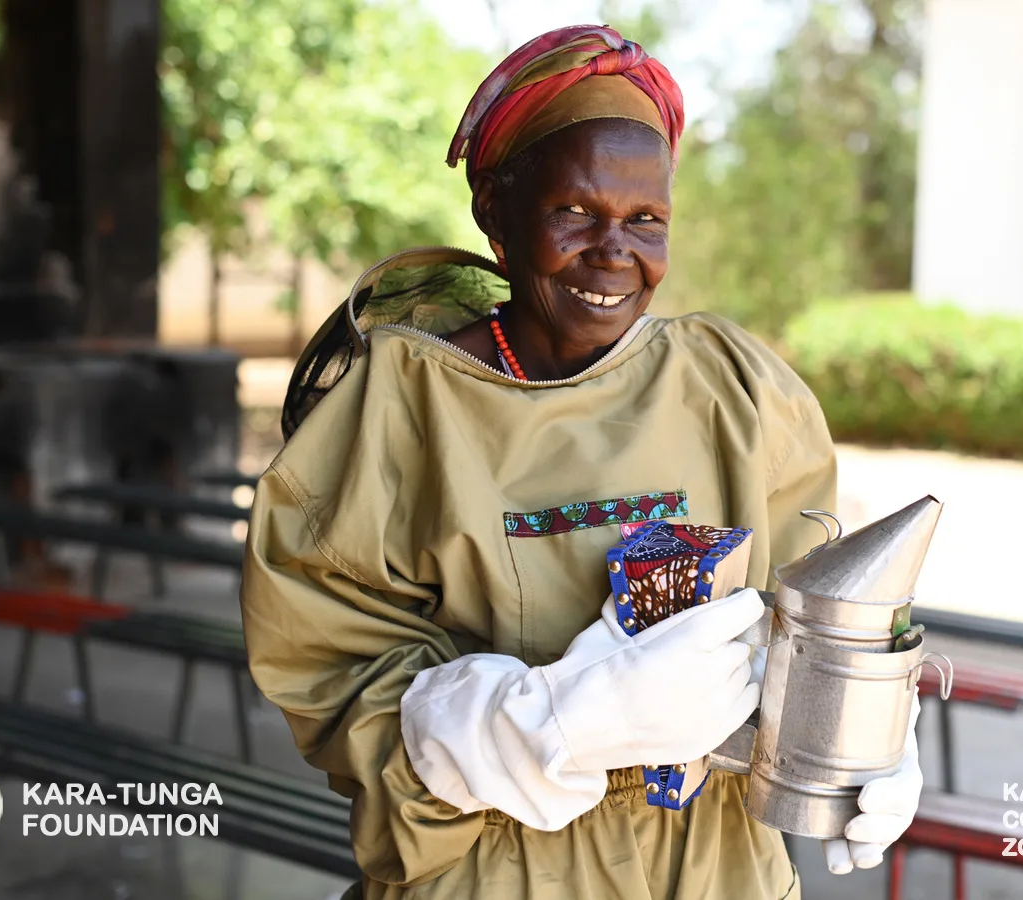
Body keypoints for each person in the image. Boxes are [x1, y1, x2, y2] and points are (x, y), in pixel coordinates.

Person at [241, 24, 923, 900]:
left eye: (646, 221)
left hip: (716, 876)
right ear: (496, 212)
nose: (615, 252)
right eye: (575, 213)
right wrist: (561, 721)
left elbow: (817, 609)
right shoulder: (393, 411)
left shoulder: (736, 390)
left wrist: (871, 734)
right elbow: (334, 680)